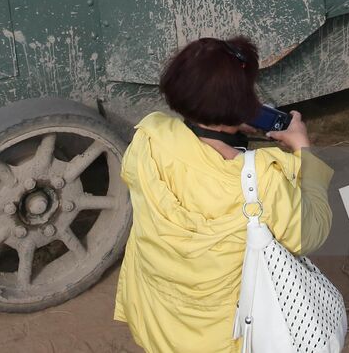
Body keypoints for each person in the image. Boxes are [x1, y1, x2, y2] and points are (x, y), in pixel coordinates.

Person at [114, 36, 332, 352]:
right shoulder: (259, 180)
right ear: (243, 101)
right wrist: (304, 151)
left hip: (158, 321)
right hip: (223, 339)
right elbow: (311, 233)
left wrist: (226, 120)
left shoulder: (147, 140)